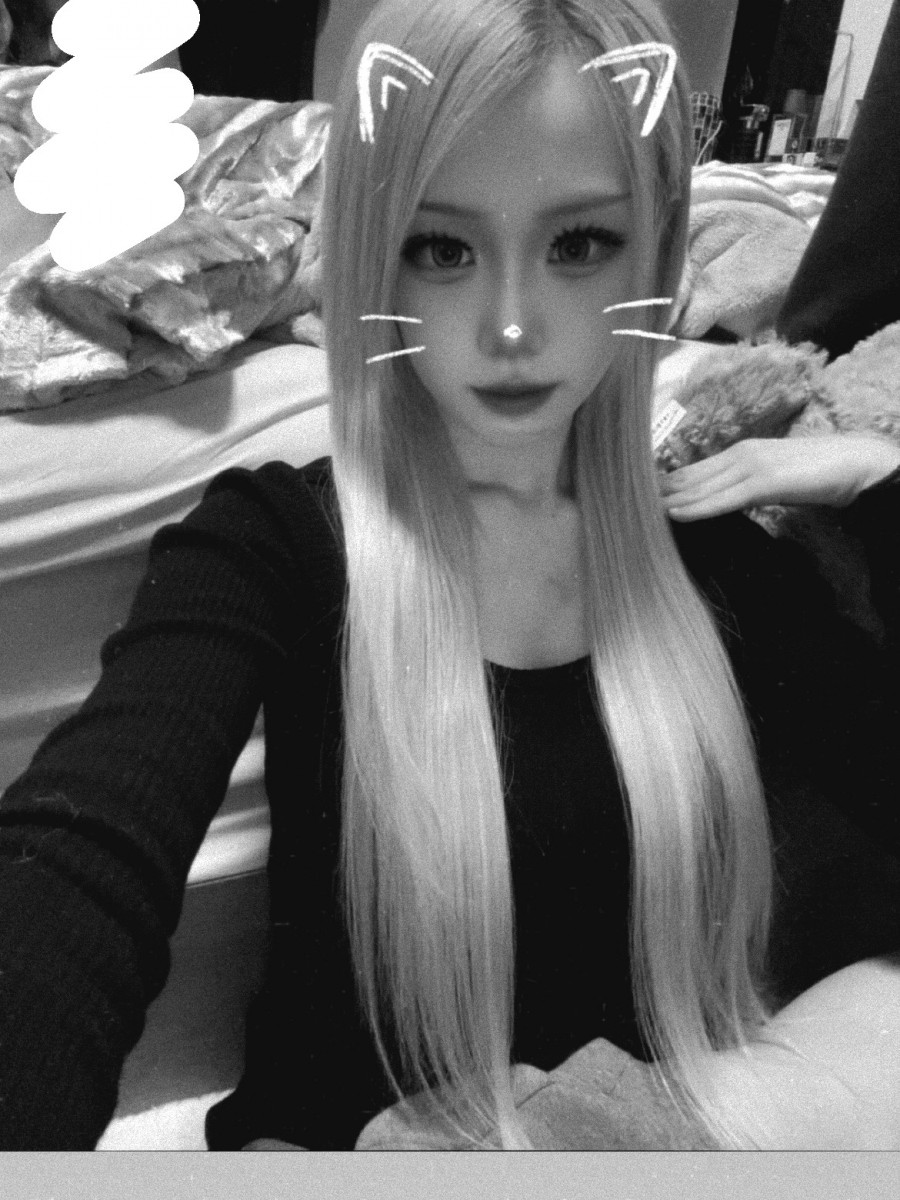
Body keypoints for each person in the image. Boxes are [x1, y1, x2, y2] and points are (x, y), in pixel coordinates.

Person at [0, 0, 898, 1151]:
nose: (511, 326)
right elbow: (77, 867)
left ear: (659, 248)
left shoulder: (716, 556)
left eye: (579, 244)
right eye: (442, 249)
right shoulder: (277, 544)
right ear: (373, 251)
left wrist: (881, 484)